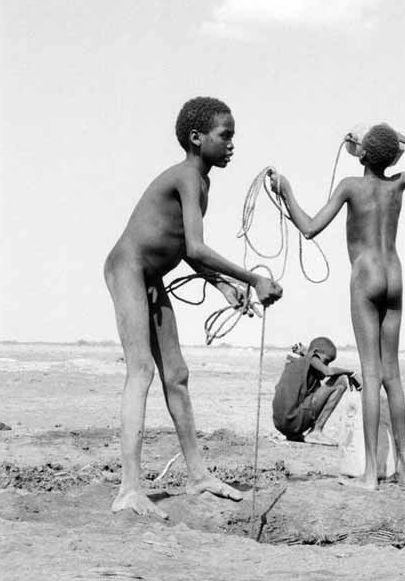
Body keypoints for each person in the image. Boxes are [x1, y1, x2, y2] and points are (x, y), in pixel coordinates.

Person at [103, 96, 283, 519]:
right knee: (142, 370)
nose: (232, 144)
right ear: (197, 138)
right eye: (226, 136)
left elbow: (185, 249)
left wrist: (221, 285)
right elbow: (198, 247)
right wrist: (251, 278)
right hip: (128, 268)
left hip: (151, 277)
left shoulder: (202, 182)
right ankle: (129, 487)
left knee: (177, 376)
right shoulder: (186, 175)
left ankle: (198, 473)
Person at [270, 124, 405, 488]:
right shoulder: (397, 183)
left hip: (365, 275)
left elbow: (310, 227)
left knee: (371, 375)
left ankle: (370, 475)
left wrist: (286, 192)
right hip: (394, 274)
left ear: (362, 155)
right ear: (392, 157)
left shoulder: (351, 185)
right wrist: (400, 141)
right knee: (392, 377)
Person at [272, 336, 359, 445]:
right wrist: (351, 373)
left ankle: (296, 434)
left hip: (281, 423)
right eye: (326, 361)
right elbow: (328, 372)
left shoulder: (301, 362)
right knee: (340, 381)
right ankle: (316, 431)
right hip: (292, 420)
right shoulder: (311, 358)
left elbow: (316, 366)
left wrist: (306, 353)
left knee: (315, 386)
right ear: (316, 353)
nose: (326, 365)